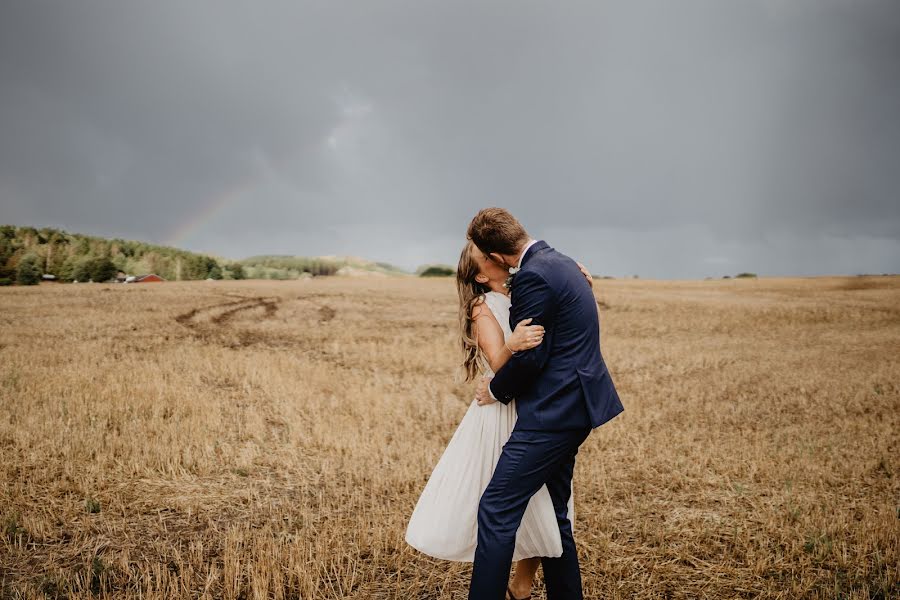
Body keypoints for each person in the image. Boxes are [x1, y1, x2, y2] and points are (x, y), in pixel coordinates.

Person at [405, 239, 595, 600]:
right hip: (504, 412)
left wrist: (578, 282)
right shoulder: (482, 305)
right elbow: (497, 364)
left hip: (538, 407)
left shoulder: (528, 286)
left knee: (544, 508)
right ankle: (516, 588)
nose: (493, 255)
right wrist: (514, 344)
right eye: (483, 256)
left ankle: (520, 587)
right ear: (479, 272)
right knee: (511, 506)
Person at [469, 207, 624, 600]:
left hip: (552, 414)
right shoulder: (563, 262)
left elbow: (532, 356)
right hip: (576, 407)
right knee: (555, 516)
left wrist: (496, 390)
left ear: (496, 257)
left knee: (496, 508)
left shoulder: (534, 276)